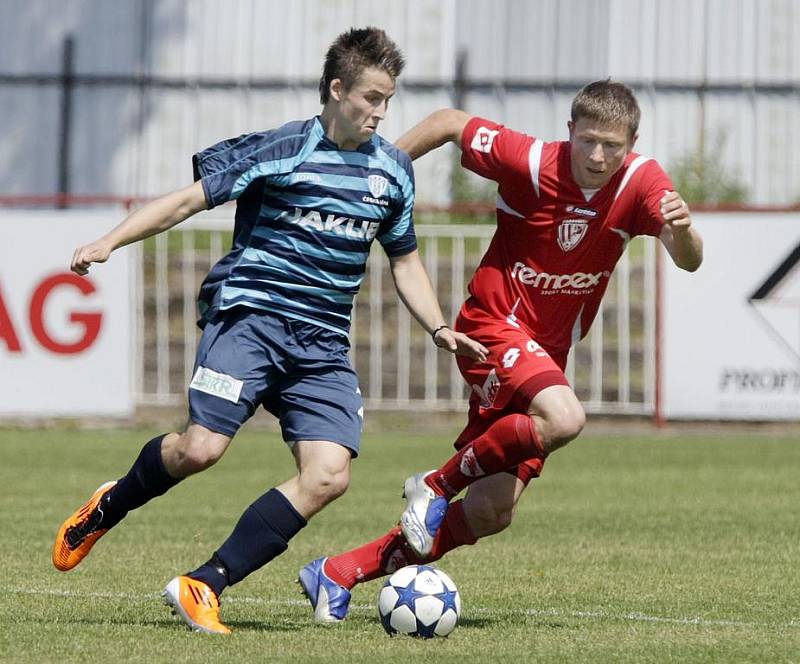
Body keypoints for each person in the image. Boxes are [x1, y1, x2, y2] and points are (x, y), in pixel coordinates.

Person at [52, 26, 487, 635]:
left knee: (330, 475)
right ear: (337, 90)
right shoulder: (280, 148)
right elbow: (185, 202)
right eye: (370, 97)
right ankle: (112, 502)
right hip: (250, 321)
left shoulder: (392, 173)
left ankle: (206, 583)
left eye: (388, 100)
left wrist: (439, 326)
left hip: (323, 346)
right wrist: (108, 241)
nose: (381, 113)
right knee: (198, 450)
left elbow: (405, 259)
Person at [297, 79, 704, 622]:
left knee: (491, 511)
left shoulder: (640, 180)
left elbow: (689, 260)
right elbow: (447, 122)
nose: (598, 156)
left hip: (544, 356)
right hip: (492, 327)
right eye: (588, 141)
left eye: (612, 144)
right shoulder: (533, 161)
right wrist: (376, 171)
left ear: (632, 142)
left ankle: (339, 572)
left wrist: (682, 230)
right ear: (570, 133)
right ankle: (436, 483)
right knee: (564, 417)